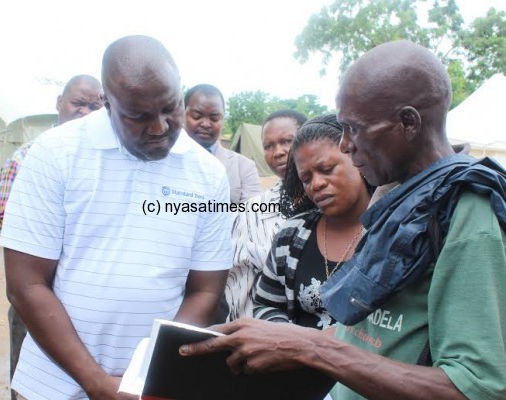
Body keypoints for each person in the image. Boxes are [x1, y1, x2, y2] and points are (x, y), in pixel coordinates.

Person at [180, 40, 506, 400]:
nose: (347, 145)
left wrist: (312, 350)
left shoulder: (466, 209)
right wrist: (287, 339)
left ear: (408, 123)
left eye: (354, 128)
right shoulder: (401, 198)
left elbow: (477, 388)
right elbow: (373, 335)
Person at [0, 35, 232, 400]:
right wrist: (95, 382)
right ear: (107, 103)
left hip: (151, 389)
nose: (158, 127)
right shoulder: (55, 153)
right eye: (137, 116)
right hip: (52, 385)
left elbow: (205, 289)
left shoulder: (209, 174)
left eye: (170, 109)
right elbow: (25, 284)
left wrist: (147, 375)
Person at [0, 74, 103, 400]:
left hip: (86, 306)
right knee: (34, 386)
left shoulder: (104, 161)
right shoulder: (28, 157)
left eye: (97, 105)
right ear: (59, 104)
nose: (87, 112)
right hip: (38, 300)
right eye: (78, 103)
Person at [253, 114, 373, 330]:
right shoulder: (290, 236)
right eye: (306, 179)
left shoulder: (392, 231)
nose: (316, 184)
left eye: (327, 169)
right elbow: (265, 305)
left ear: (357, 158)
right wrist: (293, 342)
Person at [226, 109, 307, 320]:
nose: (278, 152)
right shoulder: (250, 213)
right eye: (268, 146)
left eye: (287, 141)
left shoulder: (334, 204)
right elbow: (237, 286)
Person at [184, 84, 261, 203]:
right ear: (182, 115)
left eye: (214, 118)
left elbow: (252, 215)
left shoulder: (244, 167)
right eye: (197, 116)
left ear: (223, 120)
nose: (205, 124)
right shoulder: (162, 159)